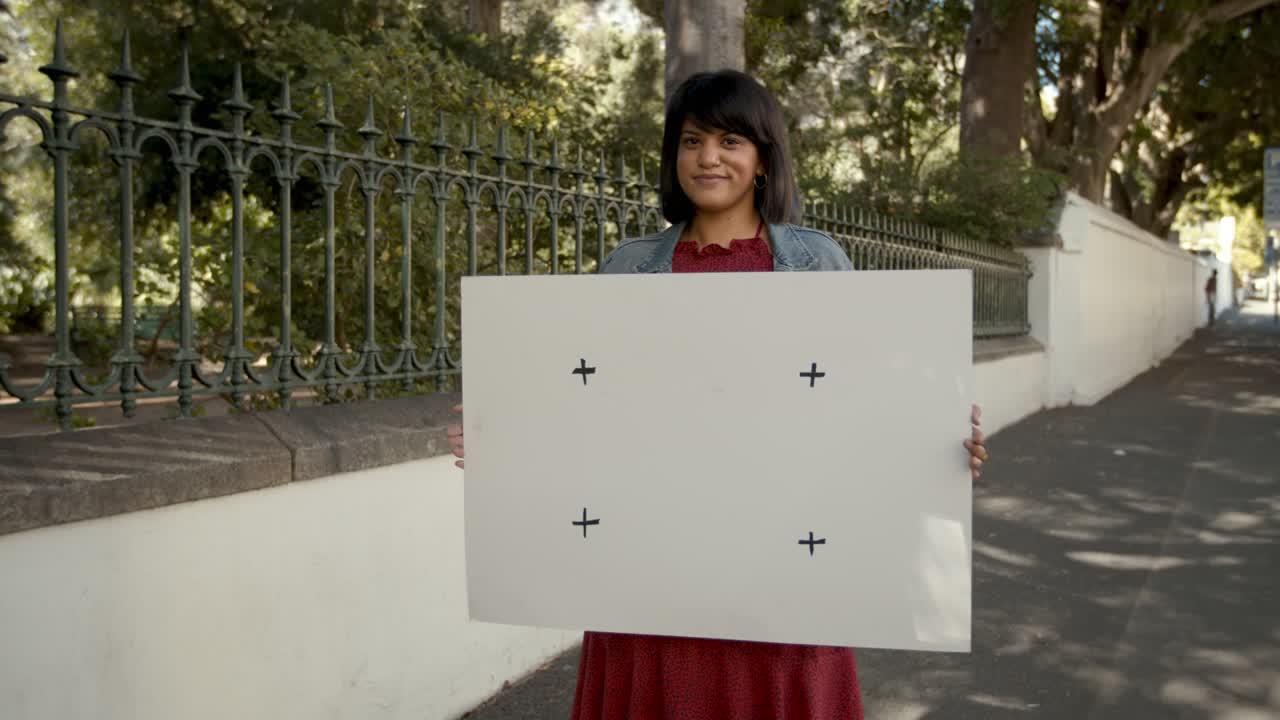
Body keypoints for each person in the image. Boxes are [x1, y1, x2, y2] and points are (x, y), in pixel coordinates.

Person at [446, 70, 989, 720]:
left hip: (783, 576)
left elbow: (859, 407)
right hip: (649, 579)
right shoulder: (627, 268)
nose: (708, 157)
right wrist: (502, 440)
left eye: (731, 140)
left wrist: (939, 447)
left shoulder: (819, 263)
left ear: (763, 158)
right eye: (692, 140)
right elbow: (591, 408)